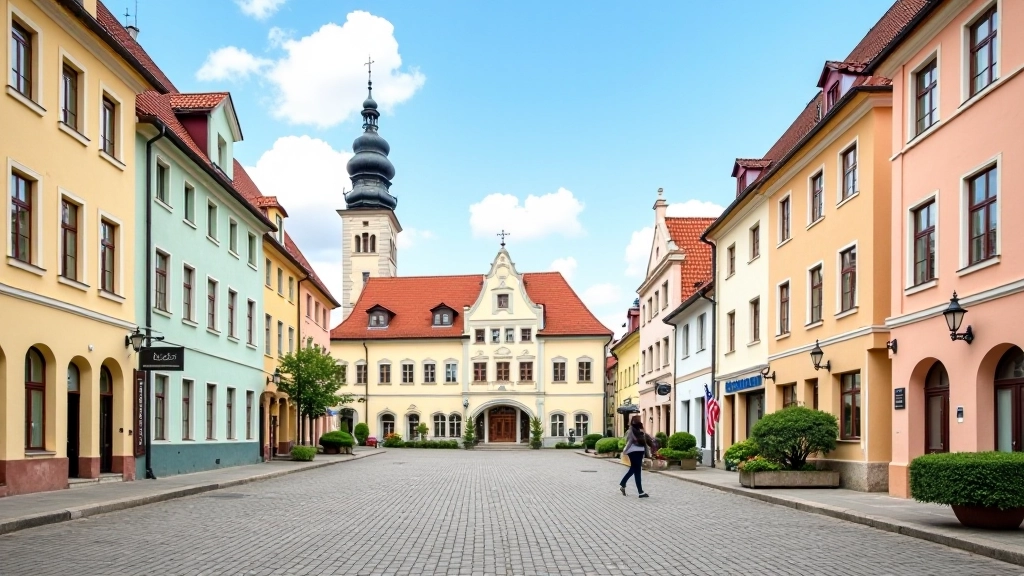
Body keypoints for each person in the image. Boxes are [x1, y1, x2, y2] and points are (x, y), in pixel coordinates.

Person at [619, 415, 654, 498]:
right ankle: (640, 492)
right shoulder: (632, 430)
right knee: (636, 470)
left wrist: (647, 454)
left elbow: (644, 442)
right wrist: (624, 451)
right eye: (638, 419)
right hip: (635, 452)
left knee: (634, 469)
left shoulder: (639, 429)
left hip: (637, 452)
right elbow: (630, 441)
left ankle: (624, 484)